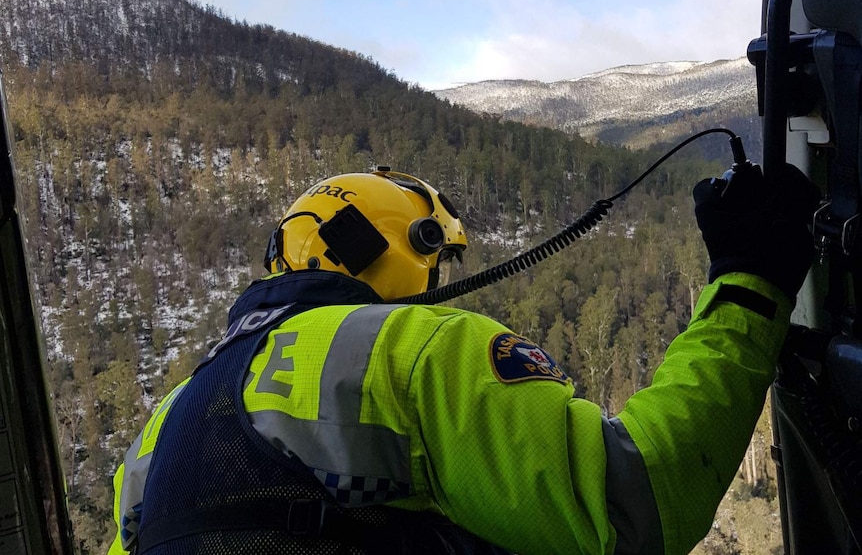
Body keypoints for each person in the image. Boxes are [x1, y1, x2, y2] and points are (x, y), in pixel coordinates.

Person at [108, 165, 818, 555]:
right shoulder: (406, 350)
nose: (441, 293)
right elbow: (638, 503)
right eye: (437, 268)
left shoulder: (155, 435)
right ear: (395, 254)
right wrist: (749, 282)